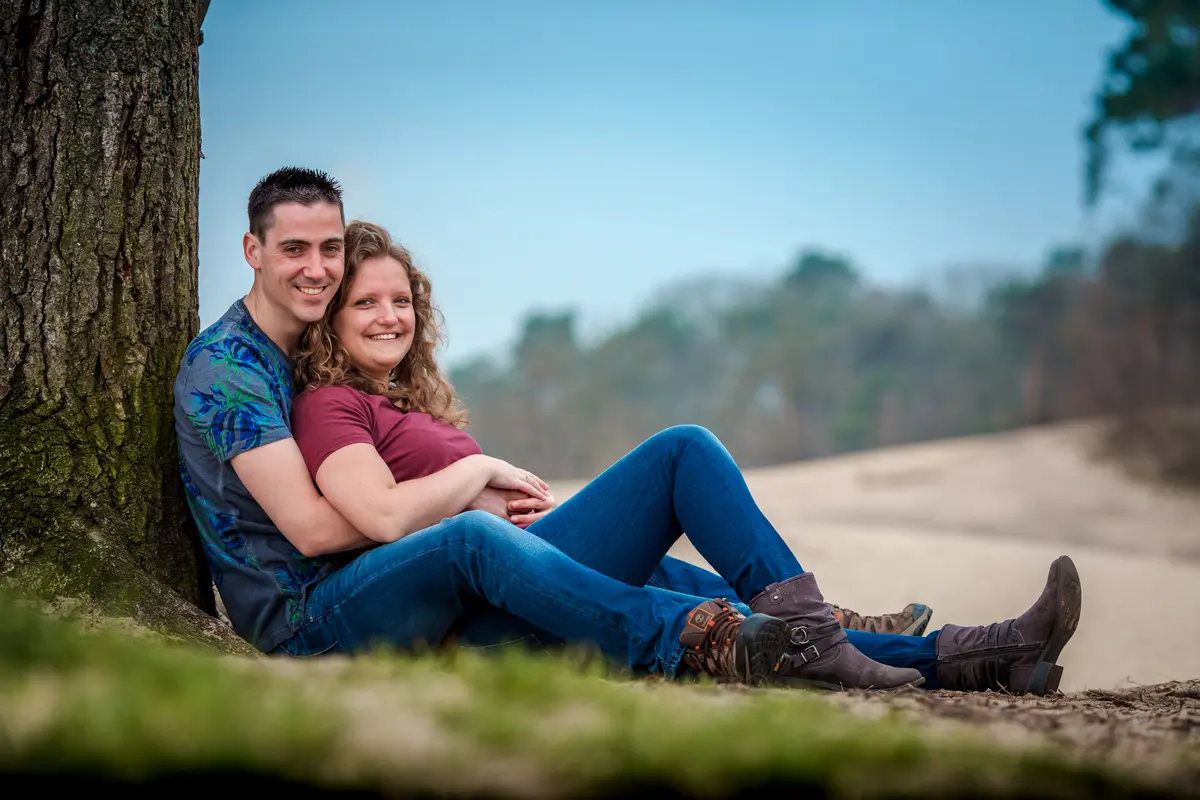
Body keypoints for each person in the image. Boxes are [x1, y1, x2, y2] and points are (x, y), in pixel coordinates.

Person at [174, 167, 1081, 694]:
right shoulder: (241, 373)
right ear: (253, 251)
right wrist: (476, 475)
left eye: (333, 254)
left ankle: (979, 653)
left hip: (435, 593)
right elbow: (335, 527)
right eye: (300, 252)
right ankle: (714, 634)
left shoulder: (318, 374)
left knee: (648, 550)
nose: (322, 273)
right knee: (621, 485)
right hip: (326, 621)